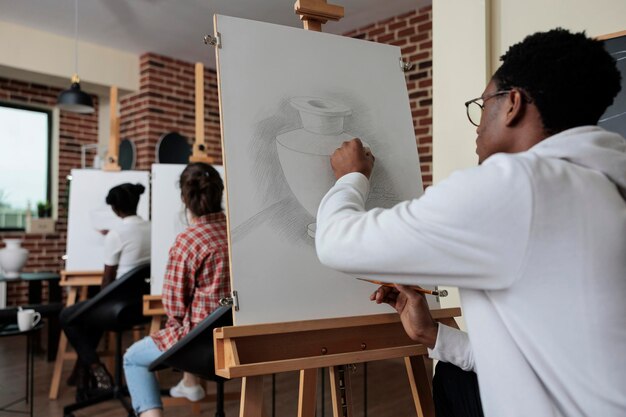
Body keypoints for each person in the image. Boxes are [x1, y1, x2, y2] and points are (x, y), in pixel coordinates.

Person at [315, 28, 626, 417]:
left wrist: (351, 176)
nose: (477, 127)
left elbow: (337, 242)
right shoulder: (604, 181)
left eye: (482, 106)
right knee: (452, 374)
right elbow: (548, 358)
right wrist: (434, 336)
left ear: (512, 104)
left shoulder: (518, 187)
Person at [123, 162, 230, 417]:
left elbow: (174, 307)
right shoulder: (236, 232)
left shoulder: (188, 240)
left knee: (133, 358)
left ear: (185, 198)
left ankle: (184, 387)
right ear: (220, 192)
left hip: (201, 347)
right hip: (238, 341)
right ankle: (190, 383)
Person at [60, 182, 151, 399]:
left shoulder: (116, 234)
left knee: (67, 316)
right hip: (142, 306)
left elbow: (107, 281)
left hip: (118, 308)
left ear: (114, 209)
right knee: (89, 317)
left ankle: (95, 368)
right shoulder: (151, 227)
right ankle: (83, 375)